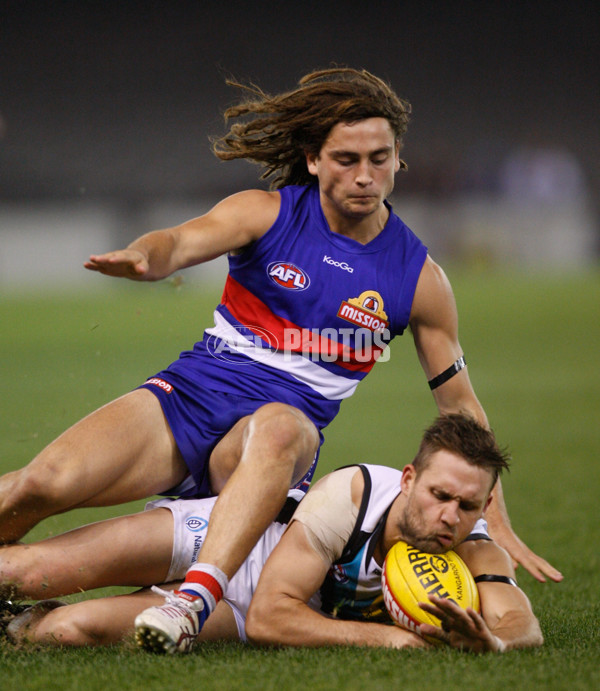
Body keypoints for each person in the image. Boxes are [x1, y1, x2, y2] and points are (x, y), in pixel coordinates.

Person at [0, 67, 560, 649]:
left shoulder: (419, 278)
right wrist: (146, 258)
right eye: (346, 159)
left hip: (272, 447)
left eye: (379, 158)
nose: (365, 176)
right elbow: (180, 240)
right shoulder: (265, 213)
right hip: (189, 399)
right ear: (314, 159)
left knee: (281, 428)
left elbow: (459, 406)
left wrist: (491, 515)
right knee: (39, 484)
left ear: (399, 160)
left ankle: (191, 603)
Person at [2, 415, 542, 653]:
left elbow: (520, 621)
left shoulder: (474, 547)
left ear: (483, 505)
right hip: (231, 535)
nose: (450, 515)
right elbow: (272, 616)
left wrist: (493, 643)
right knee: (27, 573)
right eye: (439, 496)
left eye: (467, 505)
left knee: (66, 631)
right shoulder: (349, 497)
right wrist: (391, 639)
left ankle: (16, 625)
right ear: (408, 479)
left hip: (237, 609)